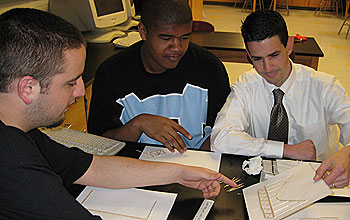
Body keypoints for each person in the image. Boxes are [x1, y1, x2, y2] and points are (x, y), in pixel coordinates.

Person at [0, 8, 236, 219]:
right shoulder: (15, 166)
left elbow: (92, 167)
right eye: (71, 83)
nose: (81, 91)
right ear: (28, 88)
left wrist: (179, 172)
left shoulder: (23, 133)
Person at [87, 0, 230, 153]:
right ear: (143, 31)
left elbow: (226, 130)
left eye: (184, 37)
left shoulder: (209, 68)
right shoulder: (111, 74)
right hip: (133, 169)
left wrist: (197, 162)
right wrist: (138, 124)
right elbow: (99, 145)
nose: (177, 48)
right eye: (166, 38)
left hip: (197, 166)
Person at [211, 10, 350, 162]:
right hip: (264, 175)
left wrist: (346, 155)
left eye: (274, 55)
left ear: (289, 46)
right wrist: (285, 150)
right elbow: (220, 139)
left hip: (318, 175)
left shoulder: (325, 87)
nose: (267, 67)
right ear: (249, 55)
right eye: (257, 59)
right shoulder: (245, 86)